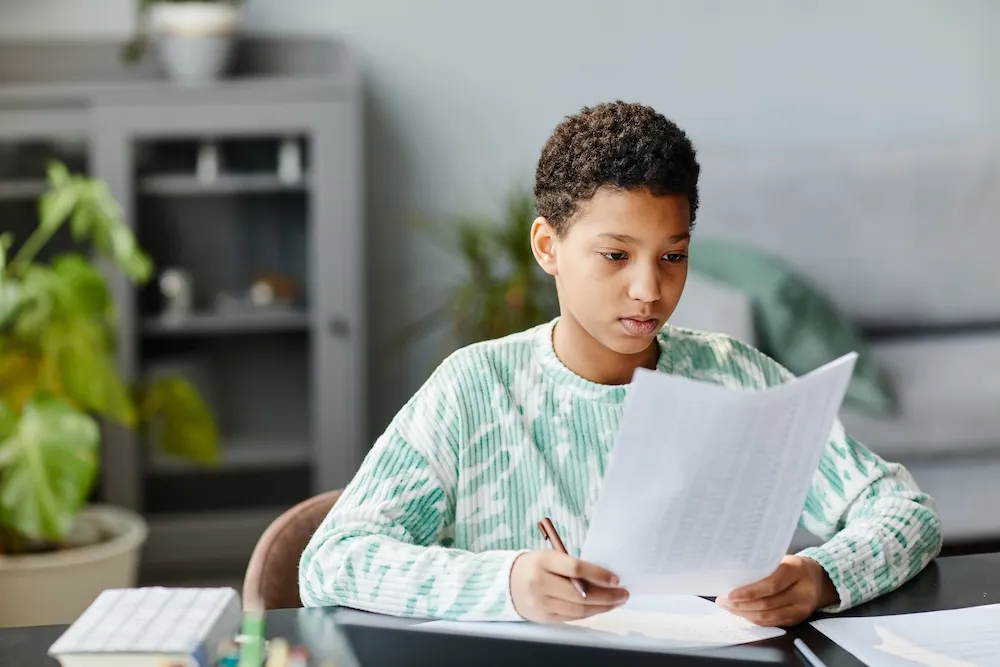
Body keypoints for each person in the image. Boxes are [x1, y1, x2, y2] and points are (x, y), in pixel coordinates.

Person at [298, 101, 943, 627]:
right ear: (548, 246)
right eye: (615, 255)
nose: (648, 290)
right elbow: (330, 561)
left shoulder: (735, 377)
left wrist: (819, 577)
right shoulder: (475, 389)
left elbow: (906, 511)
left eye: (672, 256)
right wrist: (507, 584)